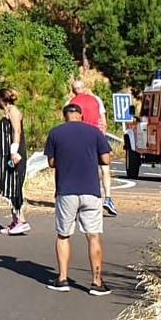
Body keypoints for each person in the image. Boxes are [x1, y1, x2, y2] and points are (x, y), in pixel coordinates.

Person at [43, 101, 114, 294]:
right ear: (81, 116)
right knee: (93, 236)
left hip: (66, 191)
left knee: (64, 235)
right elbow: (106, 159)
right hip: (91, 190)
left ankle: (63, 278)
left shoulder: (56, 133)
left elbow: (51, 162)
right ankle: (96, 282)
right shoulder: (94, 133)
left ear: (64, 116)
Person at [68, 77, 118, 218]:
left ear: (73, 91)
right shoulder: (96, 99)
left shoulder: (71, 103)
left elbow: (70, 124)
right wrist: (101, 135)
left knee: (81, 168)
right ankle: (108, 198)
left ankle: (82, 199)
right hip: (97, 135)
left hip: (80, 138)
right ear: (84, 88)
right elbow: (103, 120)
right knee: (105, 167)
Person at [0, 86, 29, 235]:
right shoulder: (7, 112)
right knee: (8, 184)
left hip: (14, 154)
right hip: (4, 155)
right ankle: (15, 220)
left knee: (14, 185)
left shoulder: (13, 111)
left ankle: (21, 220)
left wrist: (14, 151)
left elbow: (17, 131)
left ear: (2, 99)